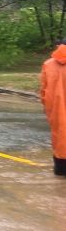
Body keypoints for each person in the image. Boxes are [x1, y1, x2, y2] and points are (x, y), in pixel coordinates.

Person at [40, 38, 66, 176]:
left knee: (60, 136)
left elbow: (44, 90)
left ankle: (60, 169)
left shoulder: (48, 64)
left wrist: (48, 108)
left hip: (56, 108)